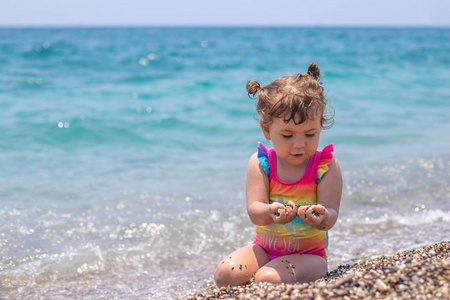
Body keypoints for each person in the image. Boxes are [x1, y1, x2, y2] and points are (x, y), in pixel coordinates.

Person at [214, 63, 343, 287]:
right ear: (266, 130)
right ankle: (267, 271)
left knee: (267, 279)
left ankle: (289, 273)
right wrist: (271, 212)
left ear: (321, 126)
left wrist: (321, 216)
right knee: (226, 275)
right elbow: (255, 211)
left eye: (310, 134)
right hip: (264, 250)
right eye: (287, 135)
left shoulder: (325, 165)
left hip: (310, 256)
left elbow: (330, 217)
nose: (299, 144)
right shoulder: (262, 163)